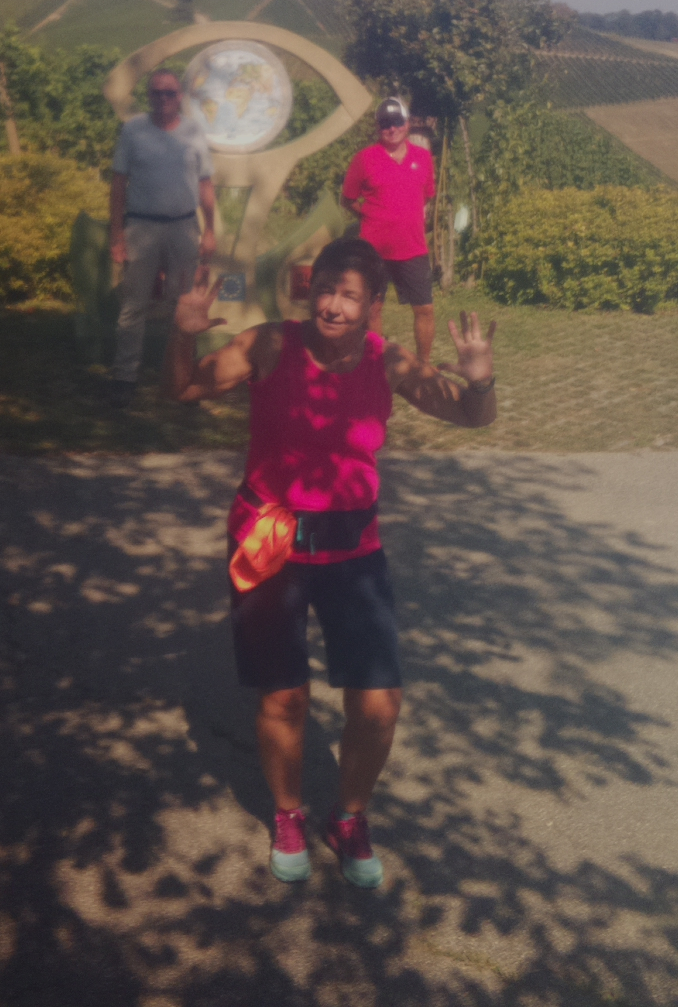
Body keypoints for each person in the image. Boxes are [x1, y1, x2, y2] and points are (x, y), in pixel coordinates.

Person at [165, 237, 498, 886]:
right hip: (269, 542)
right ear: (309, 291)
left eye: (349, 295)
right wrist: (182, 335)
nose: (333, 306)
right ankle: (288, 814)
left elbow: (470, 415)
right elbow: (183, 388)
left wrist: (480, 378)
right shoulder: (270, 345)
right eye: (324, 290)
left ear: (374, 305)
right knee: (284, 697)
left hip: (354, 546)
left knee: (378, 704)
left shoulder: (388, 361)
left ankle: (349, 818)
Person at [107, 69, 217, 407]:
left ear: (180, 96)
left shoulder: (193, 131)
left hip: (183, 227)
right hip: (141, 227)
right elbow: (118, 184)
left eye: (169, 93)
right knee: (134, 305)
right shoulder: (133, 130)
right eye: (157, 93)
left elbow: (205, 184)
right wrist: (117, 235)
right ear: (149, 96)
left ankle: (179, 375)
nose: (163, 99)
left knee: (183, 305)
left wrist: (210, 230)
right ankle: (125, 377)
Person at [341, 98, 436, 365]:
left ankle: (423, 367)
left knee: (425, 310)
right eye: (385, 124)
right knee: (372, 310)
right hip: (374, 250)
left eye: (396, 122)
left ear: (407, 124)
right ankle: (375, 364)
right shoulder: (364, 159)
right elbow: (347, 199)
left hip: (413, 248)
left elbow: (427, 195)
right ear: (377, 127)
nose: (391, 129)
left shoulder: (423, 158)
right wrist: (370, 215)